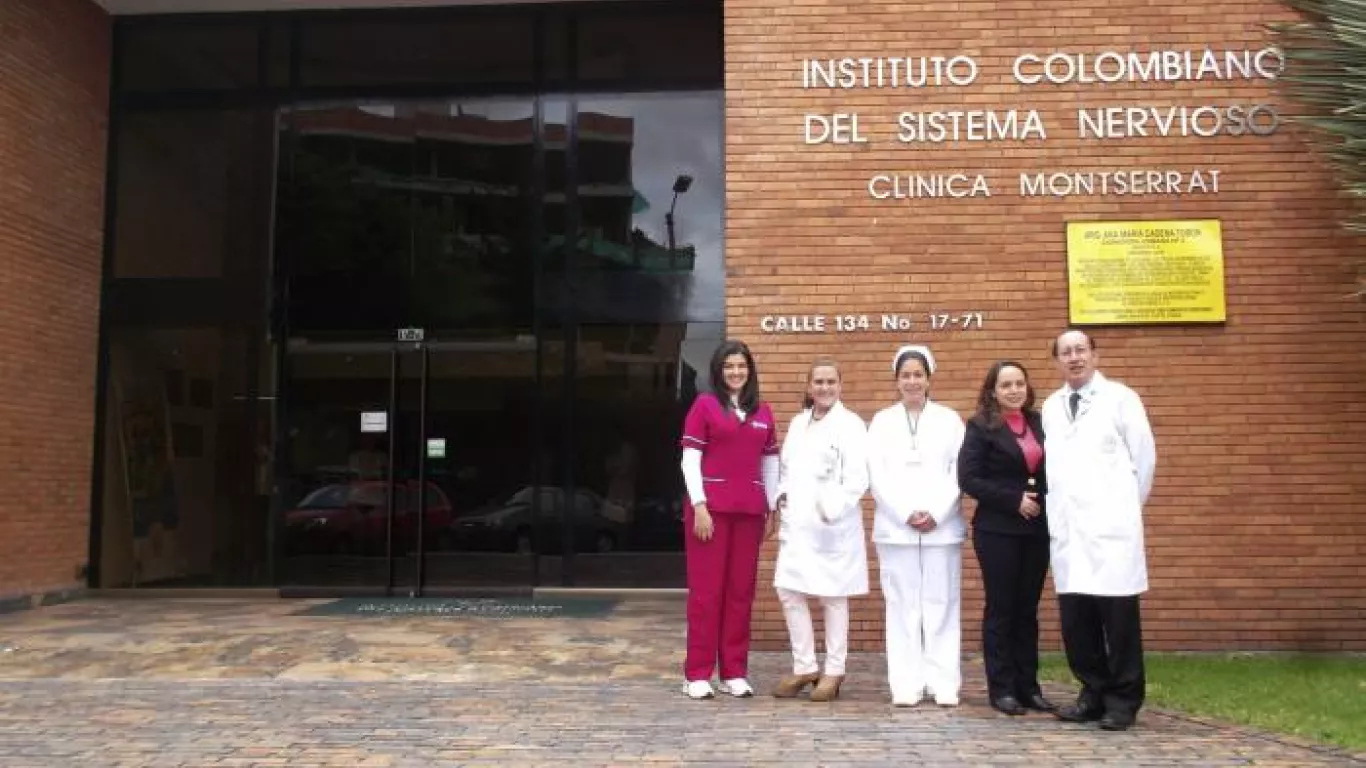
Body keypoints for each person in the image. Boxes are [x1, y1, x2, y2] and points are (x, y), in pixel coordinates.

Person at [1042, 329, 1156, 732]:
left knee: (1118, 621)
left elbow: (1144, 460)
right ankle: (1091, 693)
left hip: (1112, 529)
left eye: (1080, 350)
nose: (1074, 358)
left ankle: (1123, 701)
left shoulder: (1121, 399)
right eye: (1066, 352)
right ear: (1057, 360)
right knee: (1077, 620)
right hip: (1070, 531)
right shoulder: (1052, 406)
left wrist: (1123, 510)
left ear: (1094, 355)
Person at [678, 339, 780, 700]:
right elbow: (690, 459)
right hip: (710, 513)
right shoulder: (704, 406)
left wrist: (772, 506)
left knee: (740, 593)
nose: (736, 372)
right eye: (729, 366)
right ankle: (697, 673)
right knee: (707, 594)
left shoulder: (763, 412)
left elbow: (770, 462)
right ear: (718, 372)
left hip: (749, 512)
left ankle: (734, 671)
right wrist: (699, 505)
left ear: (750, 370)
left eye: (741, 366)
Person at [867, 344, 967, 707]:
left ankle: (944, 683)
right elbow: (876, 474)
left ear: (929, 378)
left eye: (918, 375)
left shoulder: (949, 420)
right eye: (906, 375)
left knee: (942, 604)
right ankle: (905, 684)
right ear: (896, 381)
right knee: (902, 606)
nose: (912, 381)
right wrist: (905, 512)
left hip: (942, 530)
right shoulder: (882, 421)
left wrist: (936, 512)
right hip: (897, 530)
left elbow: (959, 471)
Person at [957, 361, 1055, 716]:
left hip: (1037, 530)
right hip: (998, 530)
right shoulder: (980, 427)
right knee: (1002, 609)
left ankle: (1029, 687)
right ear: (993, 391)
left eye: (1019, 384)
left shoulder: (1041, 423)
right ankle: (1002, 689)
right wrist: (1014, 500)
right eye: (1006, 385)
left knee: (1027, 610)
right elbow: (969, 478)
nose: (1014, 390)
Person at [770, 357, 869, 702]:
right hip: (798, 524)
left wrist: (832, 509)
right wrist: (781, 496)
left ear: (840, 386)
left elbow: (858, 477)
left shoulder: (851, 425)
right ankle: (805, 666)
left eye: (831, 381)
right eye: (819, 382)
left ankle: (834, 670)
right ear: (809, 387)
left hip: (831, 525)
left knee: (833, 596)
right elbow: (787, 468)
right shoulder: (799, 422)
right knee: (788, 590)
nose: (825, 387)